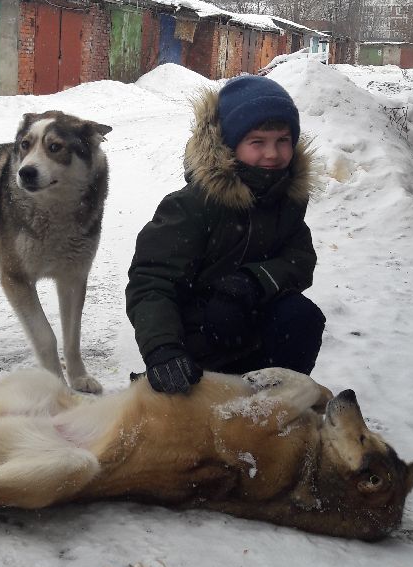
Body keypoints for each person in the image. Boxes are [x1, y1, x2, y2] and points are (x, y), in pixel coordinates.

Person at [126, 74, 324, 394]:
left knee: (301, 317)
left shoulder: (286, 199)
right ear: (230, 145)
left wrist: (252, 281)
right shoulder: (192, 205)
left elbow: (299, 260)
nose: (272, 154)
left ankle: (275, 404)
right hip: (196, 340)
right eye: (257, 142)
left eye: (282, 140)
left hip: (251, 328)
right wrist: (163, 349)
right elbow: (152, 281)